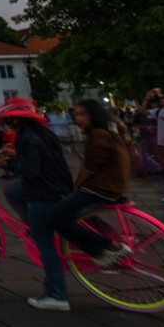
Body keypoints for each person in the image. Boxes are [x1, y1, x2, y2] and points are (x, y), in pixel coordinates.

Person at [0, 98, 74, 311]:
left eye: (10, 119)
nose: (8, 123)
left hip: (43, 194)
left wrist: (6, 163)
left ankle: (57, 294)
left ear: (18, 119)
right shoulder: (43, 134)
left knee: (45, 245)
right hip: (59, 189)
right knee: (12, 190)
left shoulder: (26, 138)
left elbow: (30, 171)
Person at [45, 99, 132, 285]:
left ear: (94, 115)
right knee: (71, 211)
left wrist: (77, 186)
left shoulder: (98, 135)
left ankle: (107, 247)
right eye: (75, 115)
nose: (78, 119)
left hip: (101, 188)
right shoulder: (109, 131)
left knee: (55, 217)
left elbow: (90, 167)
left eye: (82, 114)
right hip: (113, 186)